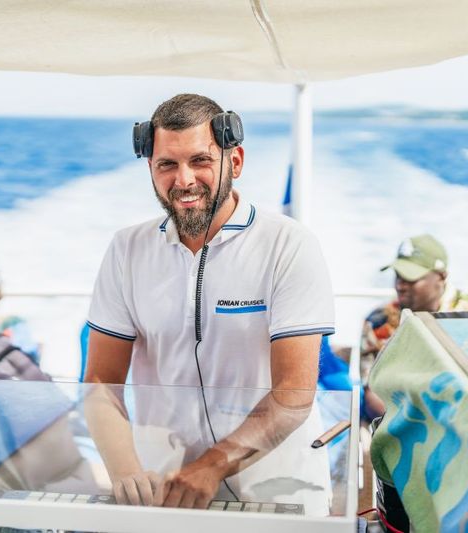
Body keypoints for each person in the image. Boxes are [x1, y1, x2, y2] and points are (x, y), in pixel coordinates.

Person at [84, 94, 335, 510]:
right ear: (150, 168)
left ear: (235, 161)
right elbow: (99, 382)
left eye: (200, 160)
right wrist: (126, 471)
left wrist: (211, 467)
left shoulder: (289, 245)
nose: (183, 180)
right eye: (167, 164)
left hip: (279, 494)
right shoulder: (126, 249)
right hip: (167, 492)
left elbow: (294, 392)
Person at [360, 234, 468, 420]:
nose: (400, 286)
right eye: (398, 276)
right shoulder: (379, 322)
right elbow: (374, 394)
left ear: (441, 277)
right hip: (408, 422)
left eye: (411, 278)